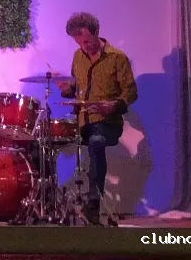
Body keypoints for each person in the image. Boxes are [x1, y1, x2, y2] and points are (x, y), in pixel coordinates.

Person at [58, 12, 137, 224]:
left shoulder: (117, 58)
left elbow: (131, 93)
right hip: (82, 122)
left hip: (107, 123)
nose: (84, 47)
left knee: (96, 141)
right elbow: (76, 88)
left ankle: (94, 202)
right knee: (44, 141)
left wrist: (115, 105)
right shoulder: (78, 56)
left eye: (86, 42)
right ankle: (44, 201)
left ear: (96, 33)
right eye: (79, 43)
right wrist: (67, 90)